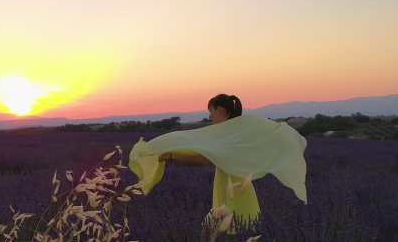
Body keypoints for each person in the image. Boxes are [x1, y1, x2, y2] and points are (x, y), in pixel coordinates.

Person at [128, 94, 307, 231]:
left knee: (228, 232)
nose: (210, 115)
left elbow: (202, 159)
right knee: (235, 233)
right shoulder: (239, 129)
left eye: (211, 111)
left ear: (220, 110)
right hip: (235, 187)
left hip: (234, 191)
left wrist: (170, 155)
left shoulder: (230, 133)